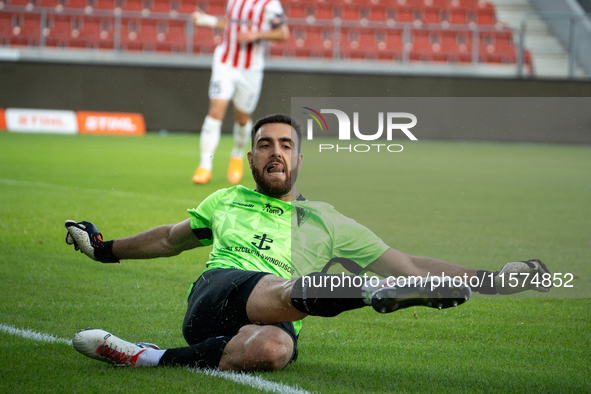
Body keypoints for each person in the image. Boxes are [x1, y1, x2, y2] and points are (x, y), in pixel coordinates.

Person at [65, 114, 551, 372]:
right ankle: (366, 296)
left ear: (299, 160)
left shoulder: (328, 220)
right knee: (289, 287)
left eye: (286, 145)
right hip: (218, 293)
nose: (275, 152)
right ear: (252, 160)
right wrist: (105, 249)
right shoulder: (227, 200)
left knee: (274, 351)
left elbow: (406, 261)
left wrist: (493, 279)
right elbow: (169, 240)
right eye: (265, 145)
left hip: (281, 317)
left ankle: (144, 356)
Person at [190, 0, 289, 185]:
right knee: (215, 111)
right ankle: (204, 166)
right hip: (225, 62)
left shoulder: (270, 5)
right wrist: (207, 21)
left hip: (250, 69)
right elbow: (231, 23)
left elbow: (283, 33)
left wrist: (257, 34)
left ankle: (236, 156)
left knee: (242, 118)